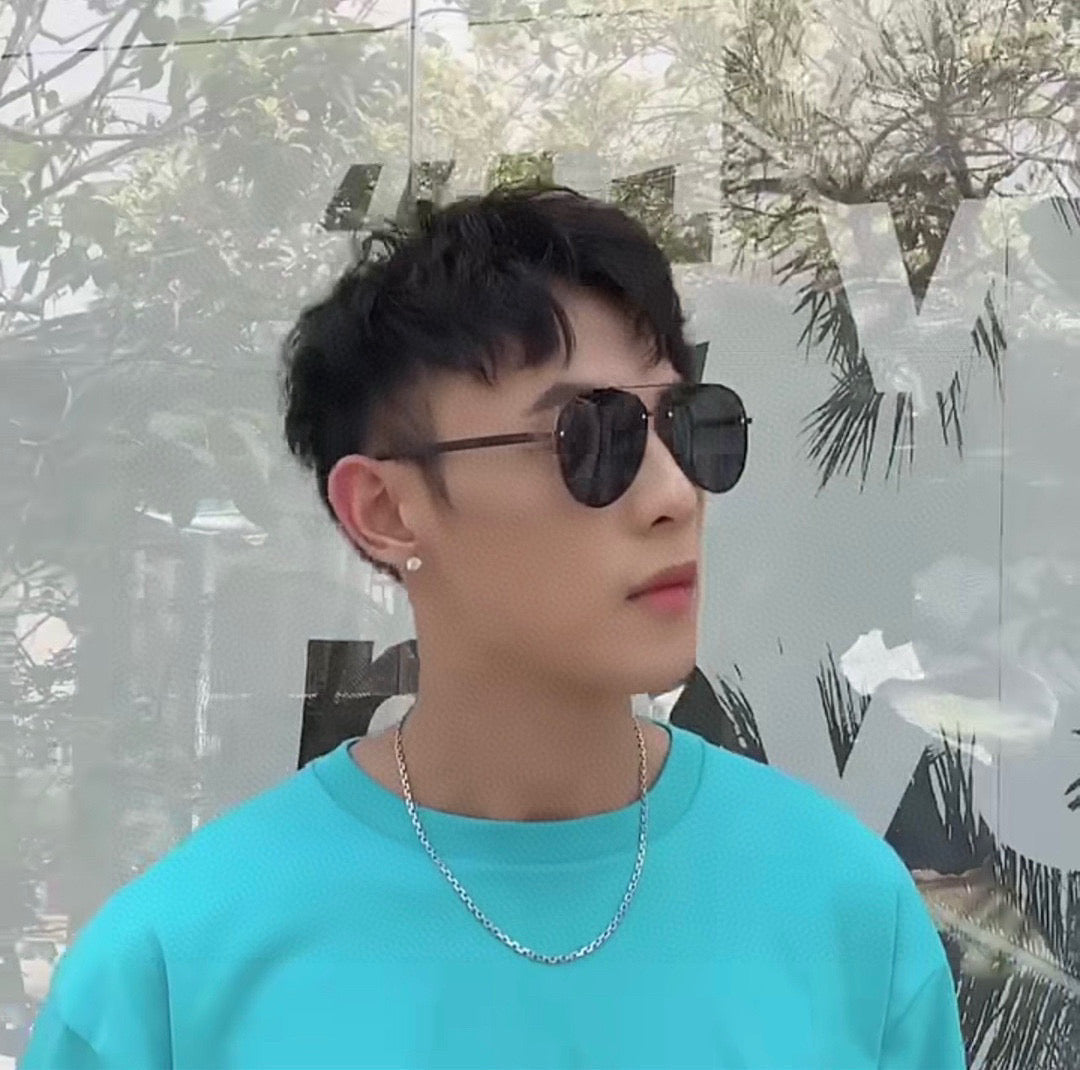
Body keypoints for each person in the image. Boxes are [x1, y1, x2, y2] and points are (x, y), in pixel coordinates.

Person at [20, 186, 967, 1069]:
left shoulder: (844, 911)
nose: (675, 494)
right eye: (590, 438)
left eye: (687, 424)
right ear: (385, 511)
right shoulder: (171, 979)